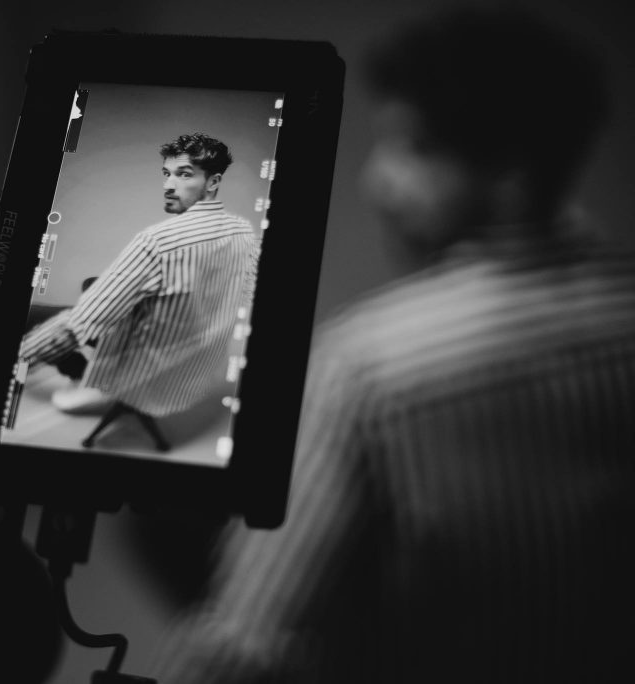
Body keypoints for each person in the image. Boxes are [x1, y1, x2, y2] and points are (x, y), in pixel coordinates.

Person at [150, 6, 635, 684]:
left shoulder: (368, 369)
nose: (377, 182)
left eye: (416, 149)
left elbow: (246, 648)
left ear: (510, 174)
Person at [18, 133, 259, 420]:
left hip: (147, 368)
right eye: (167, 174)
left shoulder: (156, 241)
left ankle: (81, 374)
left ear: (213, 182)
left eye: (184, 175)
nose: (169, 186)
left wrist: (21, 355)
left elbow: (76, 325)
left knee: (35, 315)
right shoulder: (244, 232)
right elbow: (245, 297)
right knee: (92, 285)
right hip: (194, 363)